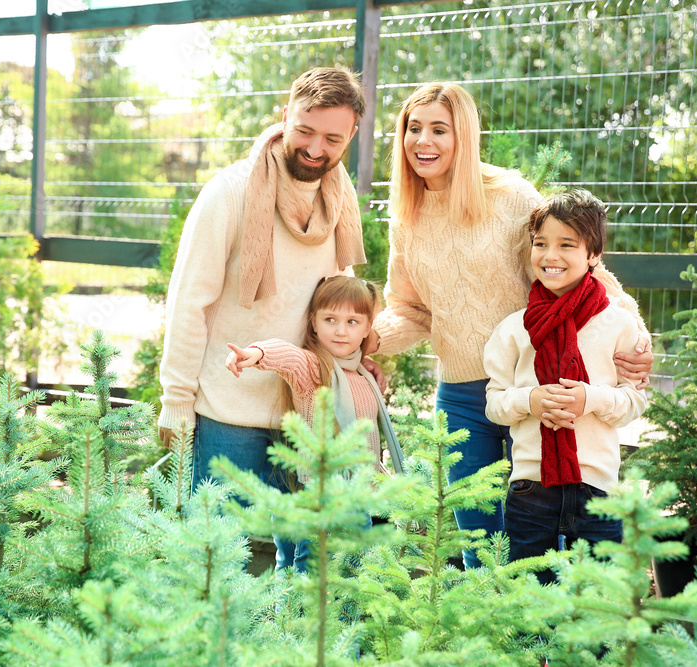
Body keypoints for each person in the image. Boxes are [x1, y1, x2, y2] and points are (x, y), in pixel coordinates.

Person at [363, 82, 653, 569]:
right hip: (461, 396)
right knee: (480, 541)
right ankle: (495, 643)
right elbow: (411, 310)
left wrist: (637, 338)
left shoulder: (510, 195)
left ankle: (551, 640)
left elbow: (580, 263)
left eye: (439, 129)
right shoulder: (407, 217)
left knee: (537, 543)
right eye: (413, 129)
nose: (423, 141)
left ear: (465, 136)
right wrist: (368, 341)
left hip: (534, 387)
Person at [156, 68, 368, 565]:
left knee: (307, 567)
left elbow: (340, 296)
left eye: (332, 138)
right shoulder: (228, 193)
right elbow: (190, 302)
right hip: (228, 412)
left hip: (306, 411)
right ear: (285, 115)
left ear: (351, 136)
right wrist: (176, 400)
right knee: (216, 562)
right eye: (305, 131)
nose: (316, 148)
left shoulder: (341, 199)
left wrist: (356, 360)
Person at [483, 189, 648, 583]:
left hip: (596, 486)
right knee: (526, 597)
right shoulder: (514, 328)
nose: (549, 256)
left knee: (598, 600)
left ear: (593, 255)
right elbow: (494, 403)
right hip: (530, 486)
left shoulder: (618, 324)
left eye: (566, 245)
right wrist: (531, 400)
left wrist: (590, 399)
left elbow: (634, 400)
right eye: (541, 244)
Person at [225, 275, 406, 571]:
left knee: (337, 570)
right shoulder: (313, 367)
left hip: (358, 490)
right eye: (330, 319)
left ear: (367, 329)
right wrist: (257, 354)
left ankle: (316, 616)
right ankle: (297, 617)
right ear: (313, 322)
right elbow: (288, 356)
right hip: (317, 493)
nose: (340, 330)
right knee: (309, 568)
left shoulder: (362, 374)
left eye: (352, 322)